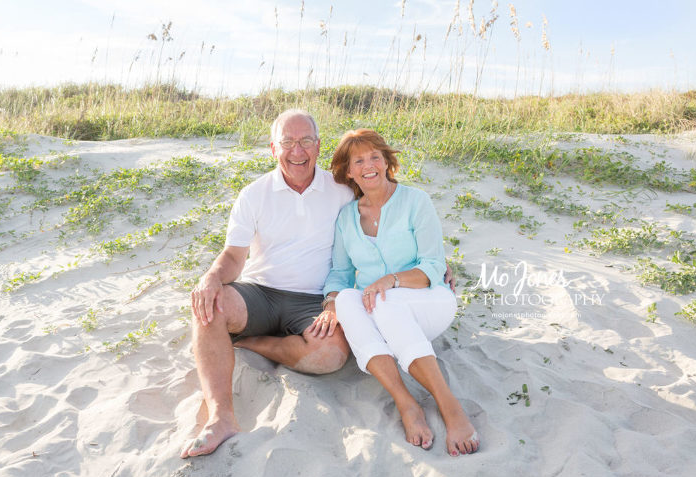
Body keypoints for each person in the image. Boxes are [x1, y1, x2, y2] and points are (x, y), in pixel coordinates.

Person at [180, 109, 355, 458]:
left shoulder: (342, 190)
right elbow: (233, 256)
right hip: (259, 293)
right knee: (209, 306)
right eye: (287, 142)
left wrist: (435, 265)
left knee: (330, 356)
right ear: (273, 149)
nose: (297, 151)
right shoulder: (254, 194)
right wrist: (212, 277)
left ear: (319, 146)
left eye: (306, 141)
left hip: (314, 300)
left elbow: (386, 217)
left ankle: (252, 342)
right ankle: (221, 418)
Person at [311, 129, 480, 456]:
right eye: (358, 160)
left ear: (388, 161)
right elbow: (341, 273)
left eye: (376, 156)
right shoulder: (346, 218)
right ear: (349, 172)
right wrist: (331, 304)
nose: (368, 165)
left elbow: (434, 265)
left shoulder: (416, 201)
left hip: (429, 300)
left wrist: (392, 279)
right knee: (347, 298)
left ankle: (450, 407)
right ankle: (407, 404)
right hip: (378, 308)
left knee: (384, 303)